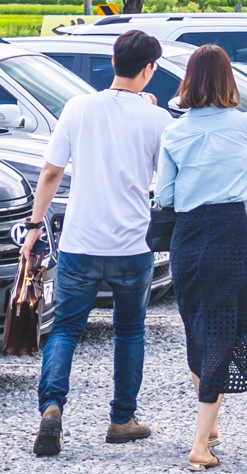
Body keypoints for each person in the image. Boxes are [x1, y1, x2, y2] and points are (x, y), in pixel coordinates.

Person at [29, 29, 173, 457]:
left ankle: (52, 408)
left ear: (113, 62)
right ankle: (121, 419)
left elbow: (51, 172)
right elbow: (166, 183)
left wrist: (34, 226)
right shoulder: (158, 119)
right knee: (129, 332)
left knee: (65, 330)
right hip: (131, 246)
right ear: (148, 69)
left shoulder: (78, 107)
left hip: (80, 241)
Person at [155, 45, 247, 471]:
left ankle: (209, 426)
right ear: (229, 79)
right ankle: (199, 443)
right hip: (228, 231)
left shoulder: (174, 132)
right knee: (225, 330)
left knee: (197, 326)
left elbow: (165, 195)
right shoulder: (246, 124)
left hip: (188, 234)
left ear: (189, 81)